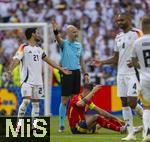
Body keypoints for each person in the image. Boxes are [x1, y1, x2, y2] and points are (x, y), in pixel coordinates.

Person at [6, 28, 71, 133]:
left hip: (38, 82)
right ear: (32, 34)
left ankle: (34, 127)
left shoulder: (39, 49)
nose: (38, 34)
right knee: (26, 101)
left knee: (36, 105)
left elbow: (49, 61)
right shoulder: (24, 47)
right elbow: (16, 59)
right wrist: (9, 70)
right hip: (26, 81)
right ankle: (18, 125)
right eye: (37, 33)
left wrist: (61, 69)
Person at [91, 12, 143, 141]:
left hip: (134, 73)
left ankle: (146, 119)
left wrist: (136, 62)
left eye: (121, 20)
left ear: (129, 19)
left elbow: (144, 50)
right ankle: (131, 133)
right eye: (117, 21)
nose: (119, 22)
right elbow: (115, 58)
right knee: (124, 103)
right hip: (121, 74)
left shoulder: (137, 33)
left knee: (132, 102)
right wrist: (101, 62)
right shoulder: (118, 37)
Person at [52, 21, 90, 132]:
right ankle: (61, 124)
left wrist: (86, 73)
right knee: (64, 100)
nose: (76, 34)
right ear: (68, 33)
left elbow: (82, 61)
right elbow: (58, 39)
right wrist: (55, 31)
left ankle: (76, 122)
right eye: (73, 32)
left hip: (77, 73)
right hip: (66, 73)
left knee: (76, 100)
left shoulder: (79, 45)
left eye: (76, 32)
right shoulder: (64, 44)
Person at [131, 14, 150, 142]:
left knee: (147, 107)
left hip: (144, 78)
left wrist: (141, 68)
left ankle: (147, 133)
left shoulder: (137, 42)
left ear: (142, 27)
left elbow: (133, 61)